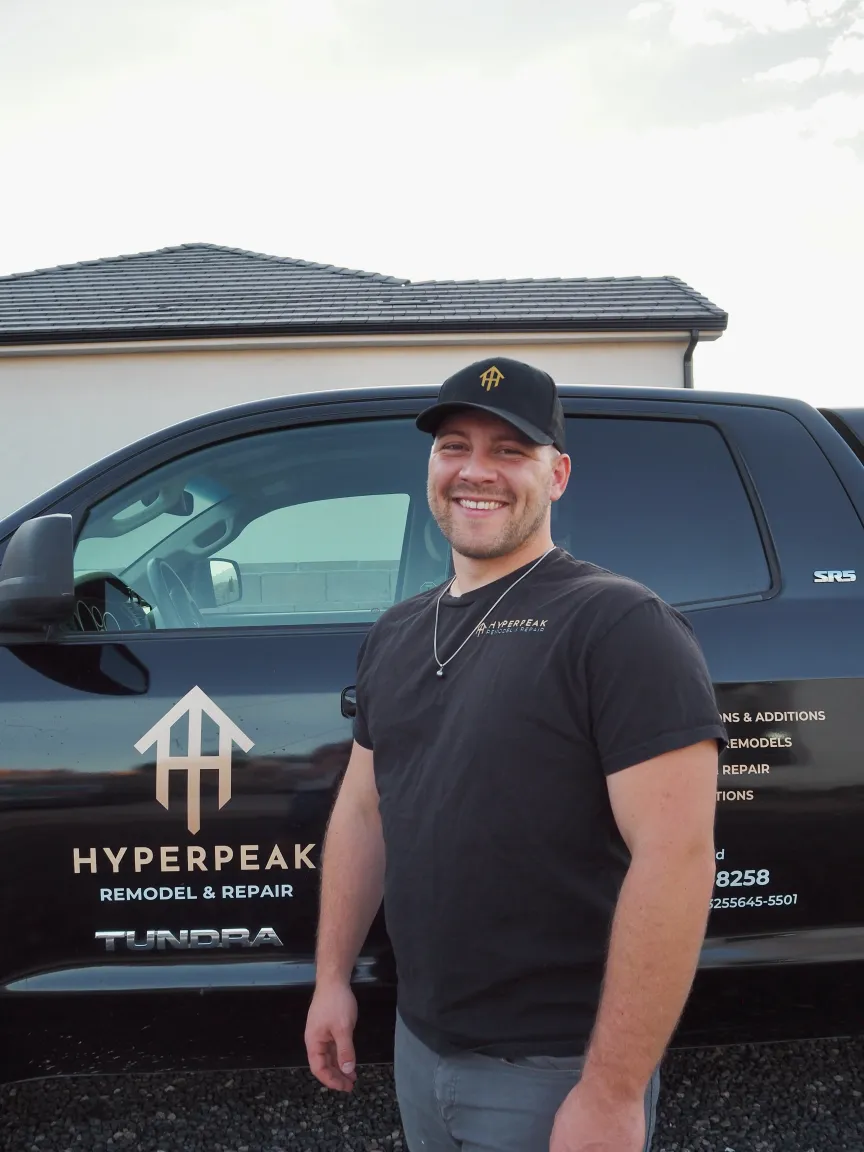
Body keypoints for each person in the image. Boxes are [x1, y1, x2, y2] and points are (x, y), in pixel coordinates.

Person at [305, 357, 726, 1152]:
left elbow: (677, 858)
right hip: (420, 1047)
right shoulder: (396, 631)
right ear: (430, 466)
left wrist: (611, 1092)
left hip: (553, 1067)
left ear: (557, 474)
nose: (476, 471)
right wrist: (332, 980)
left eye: (510, 450)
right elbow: (365, 810)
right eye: (454, 446)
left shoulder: (618, 623)